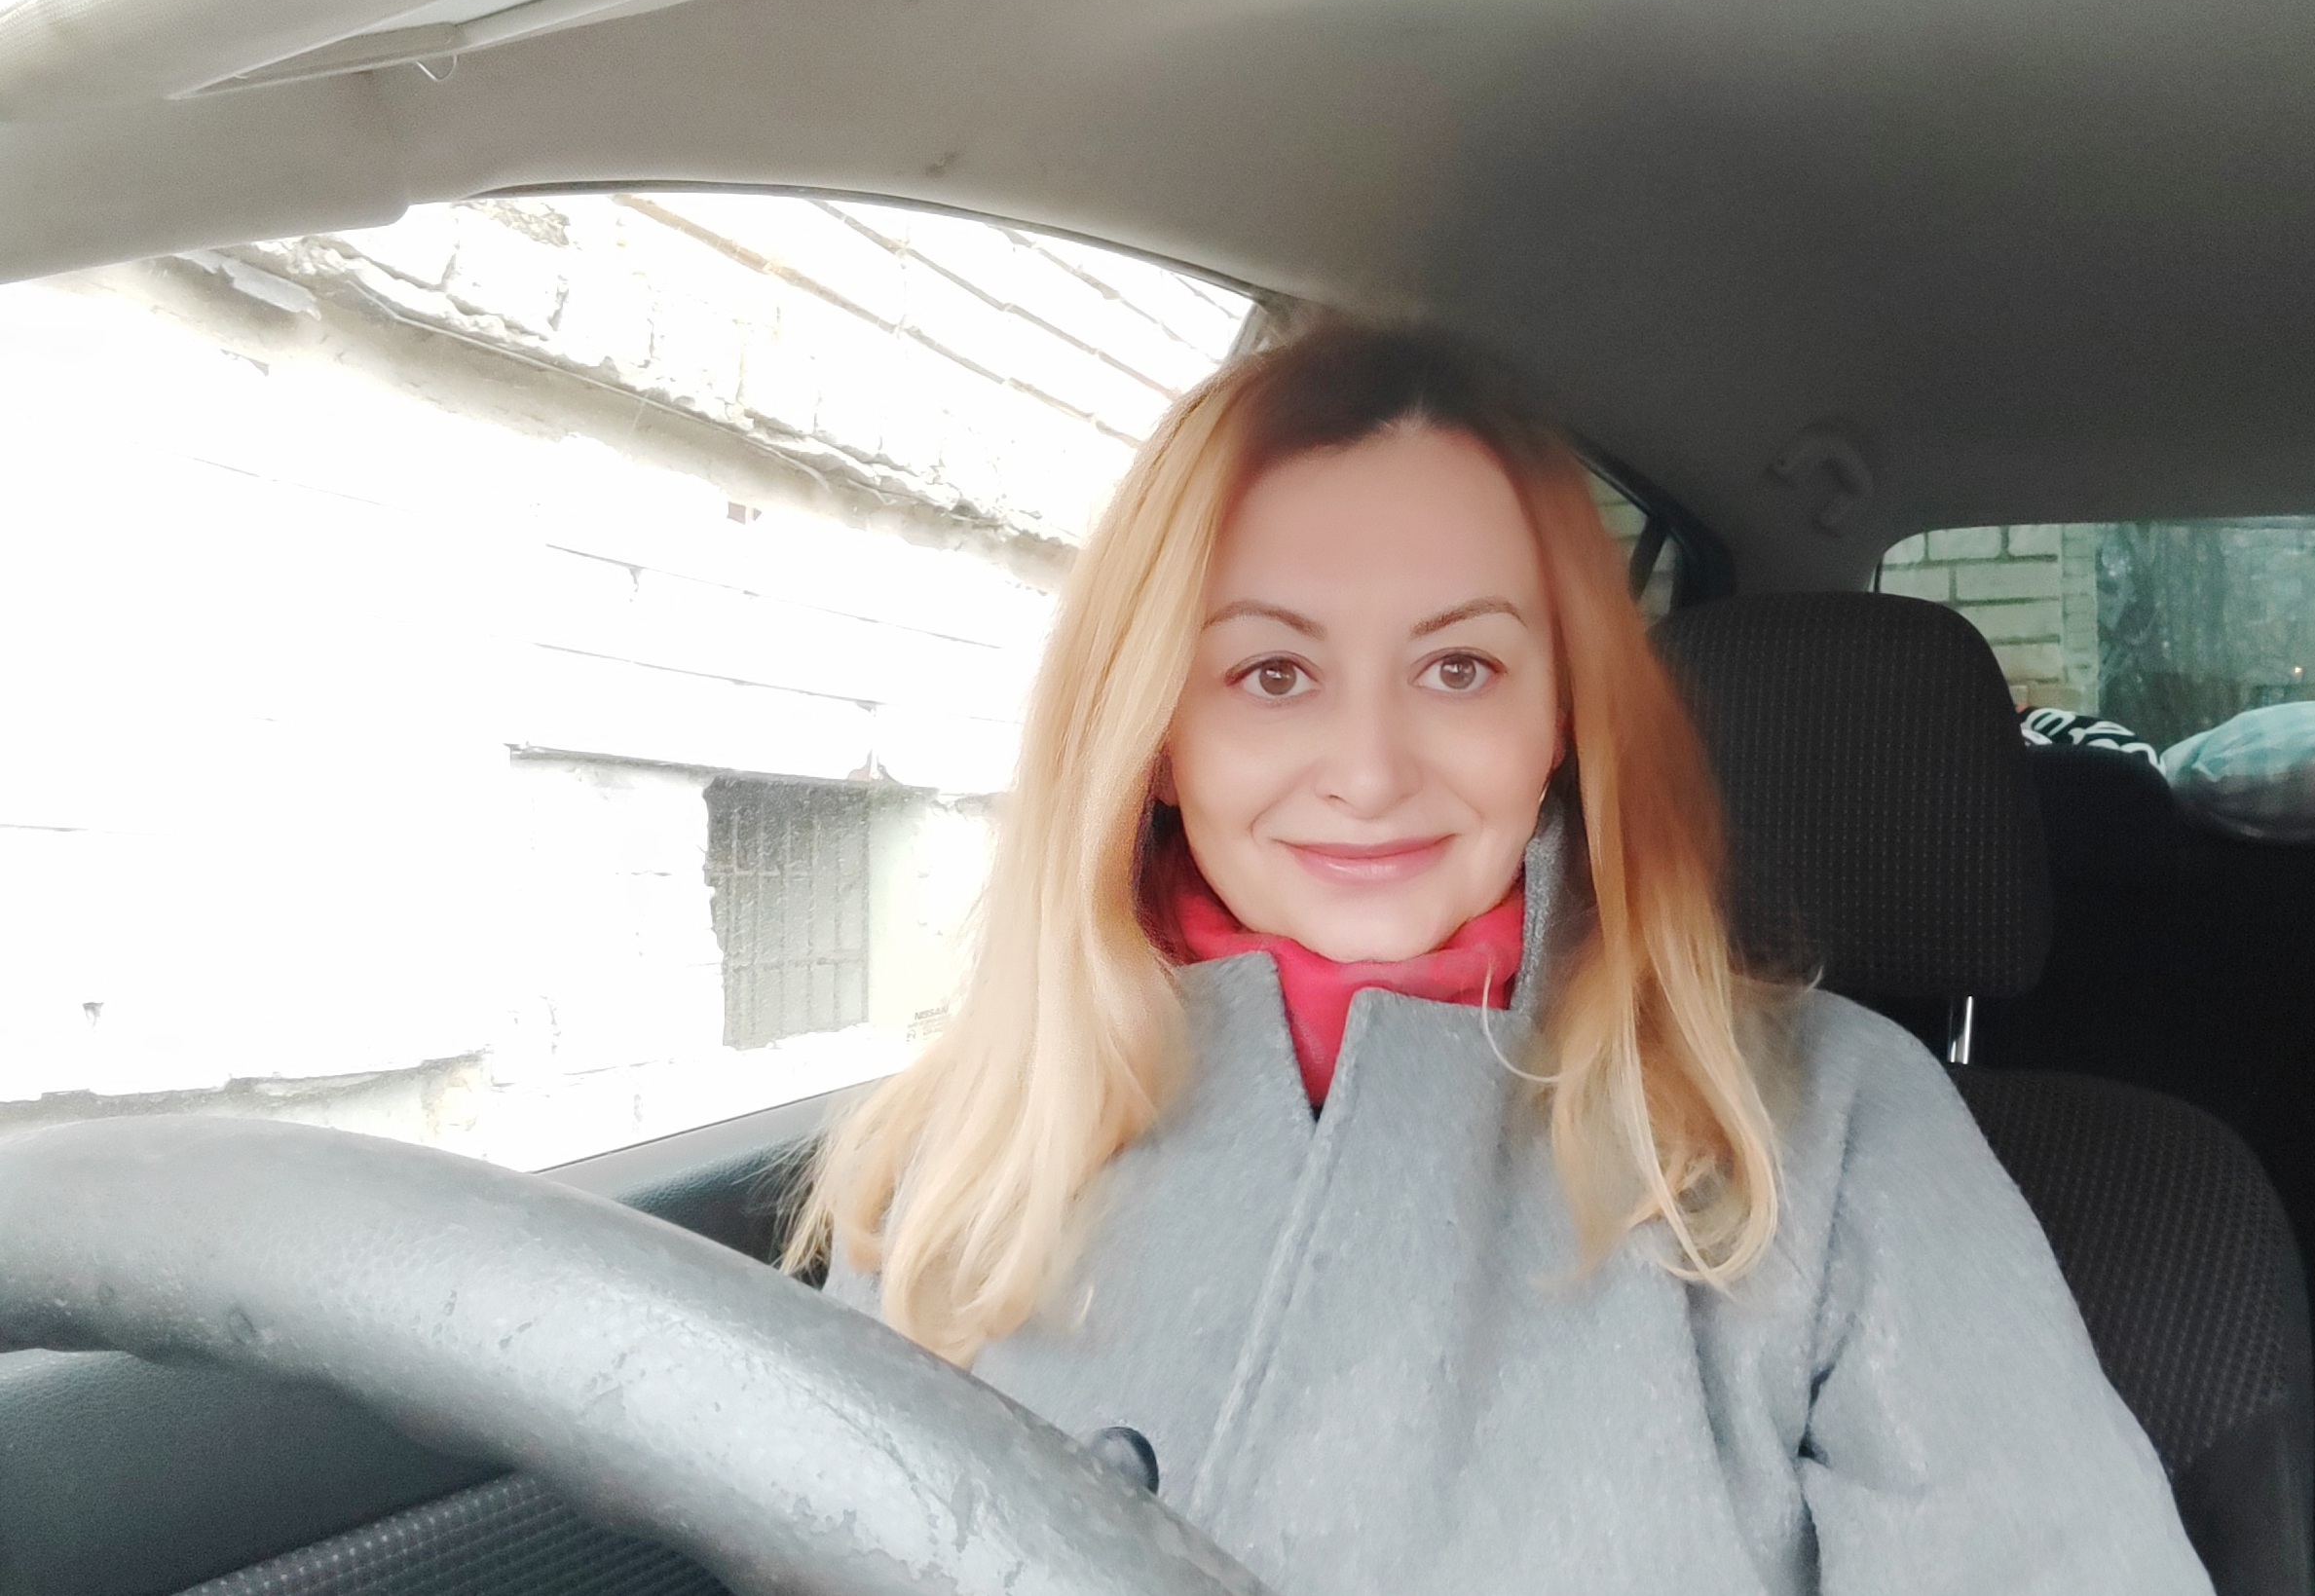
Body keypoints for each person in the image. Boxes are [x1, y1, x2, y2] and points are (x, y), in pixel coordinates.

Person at [791, 326, 2212, 1594]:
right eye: (1272, 674)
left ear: (1559, 716)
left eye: (1458, 668)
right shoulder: (952, 1155)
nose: (1368, 772)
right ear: (1157, 735)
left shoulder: (1828, 1130)